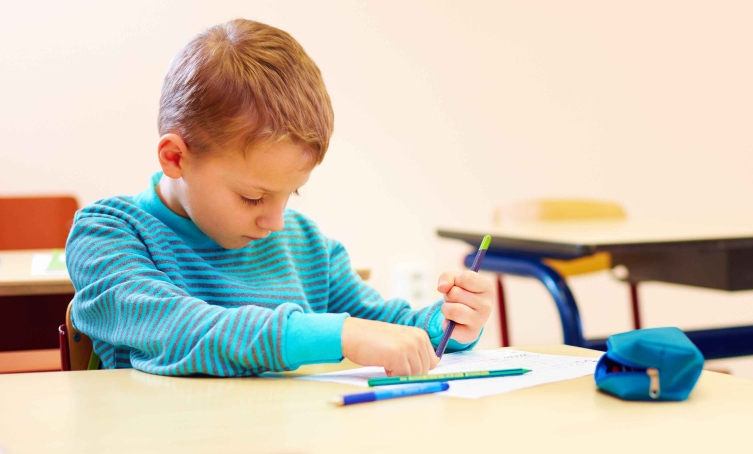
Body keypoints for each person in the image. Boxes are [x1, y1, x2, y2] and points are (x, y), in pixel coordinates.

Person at [66, 19, 493, 377]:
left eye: (291, 194)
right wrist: (340, 335)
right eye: (253, 197)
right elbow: (179, 329)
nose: (274, 221)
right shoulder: (105, 235)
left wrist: (449, 324)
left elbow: (390, 329)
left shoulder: (305, 246)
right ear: (176, 157)